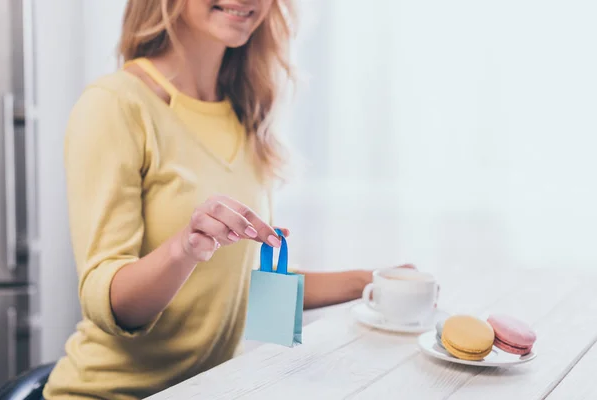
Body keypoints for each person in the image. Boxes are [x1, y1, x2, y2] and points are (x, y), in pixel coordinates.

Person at [41, 1, 404, 399]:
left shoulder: (243, 110)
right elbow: (109, 305)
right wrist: (185, 248)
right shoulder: (115, 104)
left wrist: (372, 282)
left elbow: (239, 285)